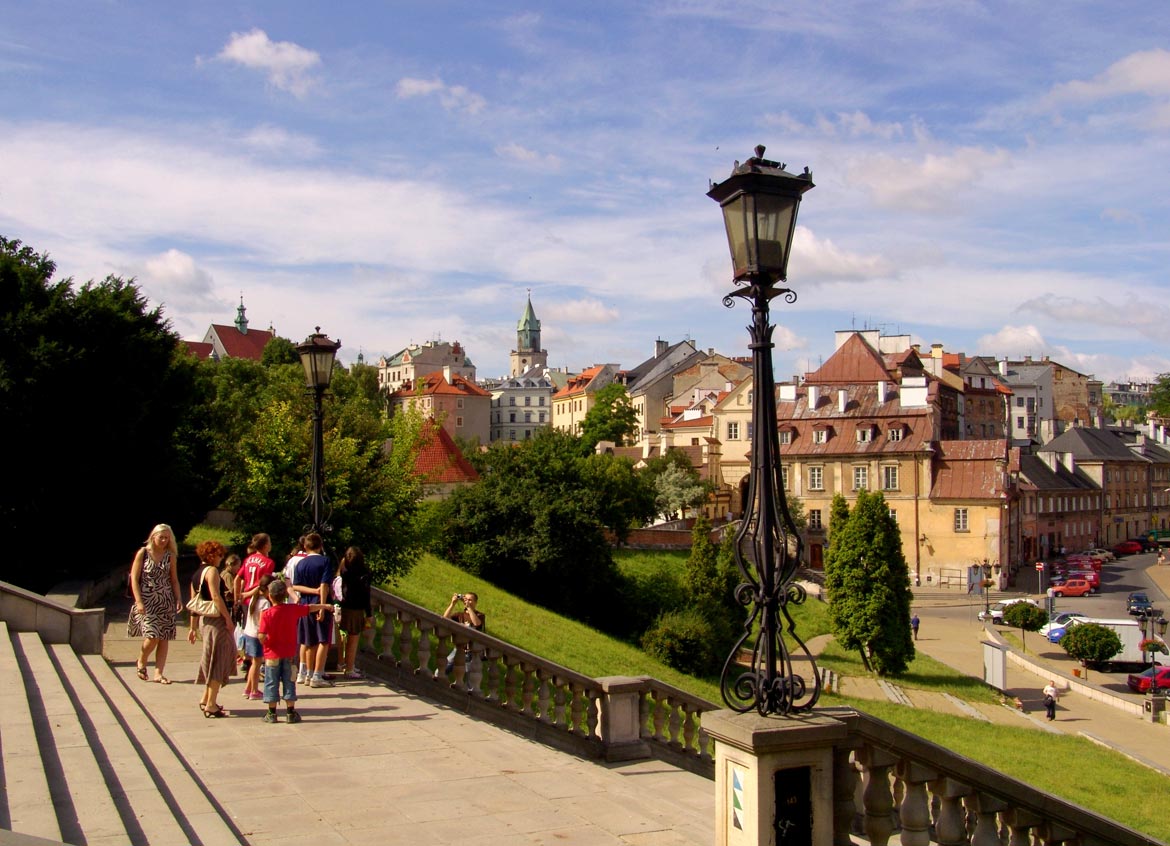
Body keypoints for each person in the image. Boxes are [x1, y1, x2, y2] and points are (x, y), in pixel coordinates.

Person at [258, 578, 334, 723]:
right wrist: (324, 605)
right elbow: (309, 607)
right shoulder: (291, 610)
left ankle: (271, 713)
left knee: (271, 681)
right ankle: (290, 712)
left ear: (270, 596)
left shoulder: (266, 614)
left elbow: (261, 636)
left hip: (272, 654)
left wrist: (266, 641)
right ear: (285, 595)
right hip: (289, 654)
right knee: (289, 680)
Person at [186, 540, 238, 717]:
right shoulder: (212, 571)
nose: (221, 558)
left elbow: (193, 602)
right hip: (217, 621)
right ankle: (211, 704)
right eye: (219, 554)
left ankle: (206, 698)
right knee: (219, 660)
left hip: (204, 620)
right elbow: (217, 597)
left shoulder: (196, 574)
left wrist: (192, 627)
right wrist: (228, 619)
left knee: (211, 658)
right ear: (211, 555)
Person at [127, 523, 183, 684]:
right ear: (153, 537)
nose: (164, 540)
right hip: (147, 599)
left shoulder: (170, 555)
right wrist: (138, 601)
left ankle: (159, 673)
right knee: (153, 636)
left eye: (167, 537)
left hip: (165, 600)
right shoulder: (143, 553)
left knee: (163, 636)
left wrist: (178, 598)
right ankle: (142, 660)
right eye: (161, 537)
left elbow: (174, 580)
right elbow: (134, 579)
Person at [290, 533, 334, 688]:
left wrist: (310, 591)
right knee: (323, 640)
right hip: (320, 603)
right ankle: (317, 674)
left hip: (305, 604)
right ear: (320, 546)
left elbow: (295, 586)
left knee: (309, 641)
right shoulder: (325, 561)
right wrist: (322, 605)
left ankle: (308, 673)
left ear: (305, 546)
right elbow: (324, 585)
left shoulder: (300, 564)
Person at [337, 546, 373, 680]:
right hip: (356, 609)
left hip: (342, 605)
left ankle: (341, 662)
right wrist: (369, 613)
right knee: (353, 639)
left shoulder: (343, 570)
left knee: (341, 636)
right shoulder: (364, 573)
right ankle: (350, 668)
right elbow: (366, 594)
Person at [240, 574, 274, 700]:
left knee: (253, 663)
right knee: (256, 663)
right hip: (257, 635)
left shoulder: (254, 599)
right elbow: (263, 621)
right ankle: (254, 690)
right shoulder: (265, 603)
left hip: (249, 633)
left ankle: (248, 688)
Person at [441, 592, 484, 676]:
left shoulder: (480, 615)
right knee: (443, 668)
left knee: (470, 677)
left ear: (475, 602)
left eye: (470, 600)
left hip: (473, 652)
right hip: (459, 648)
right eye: (466, 599)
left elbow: (477, 624)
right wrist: (452, 604)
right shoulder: (459, 615)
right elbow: (444, 619)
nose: (467, 601)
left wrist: (469, 608)